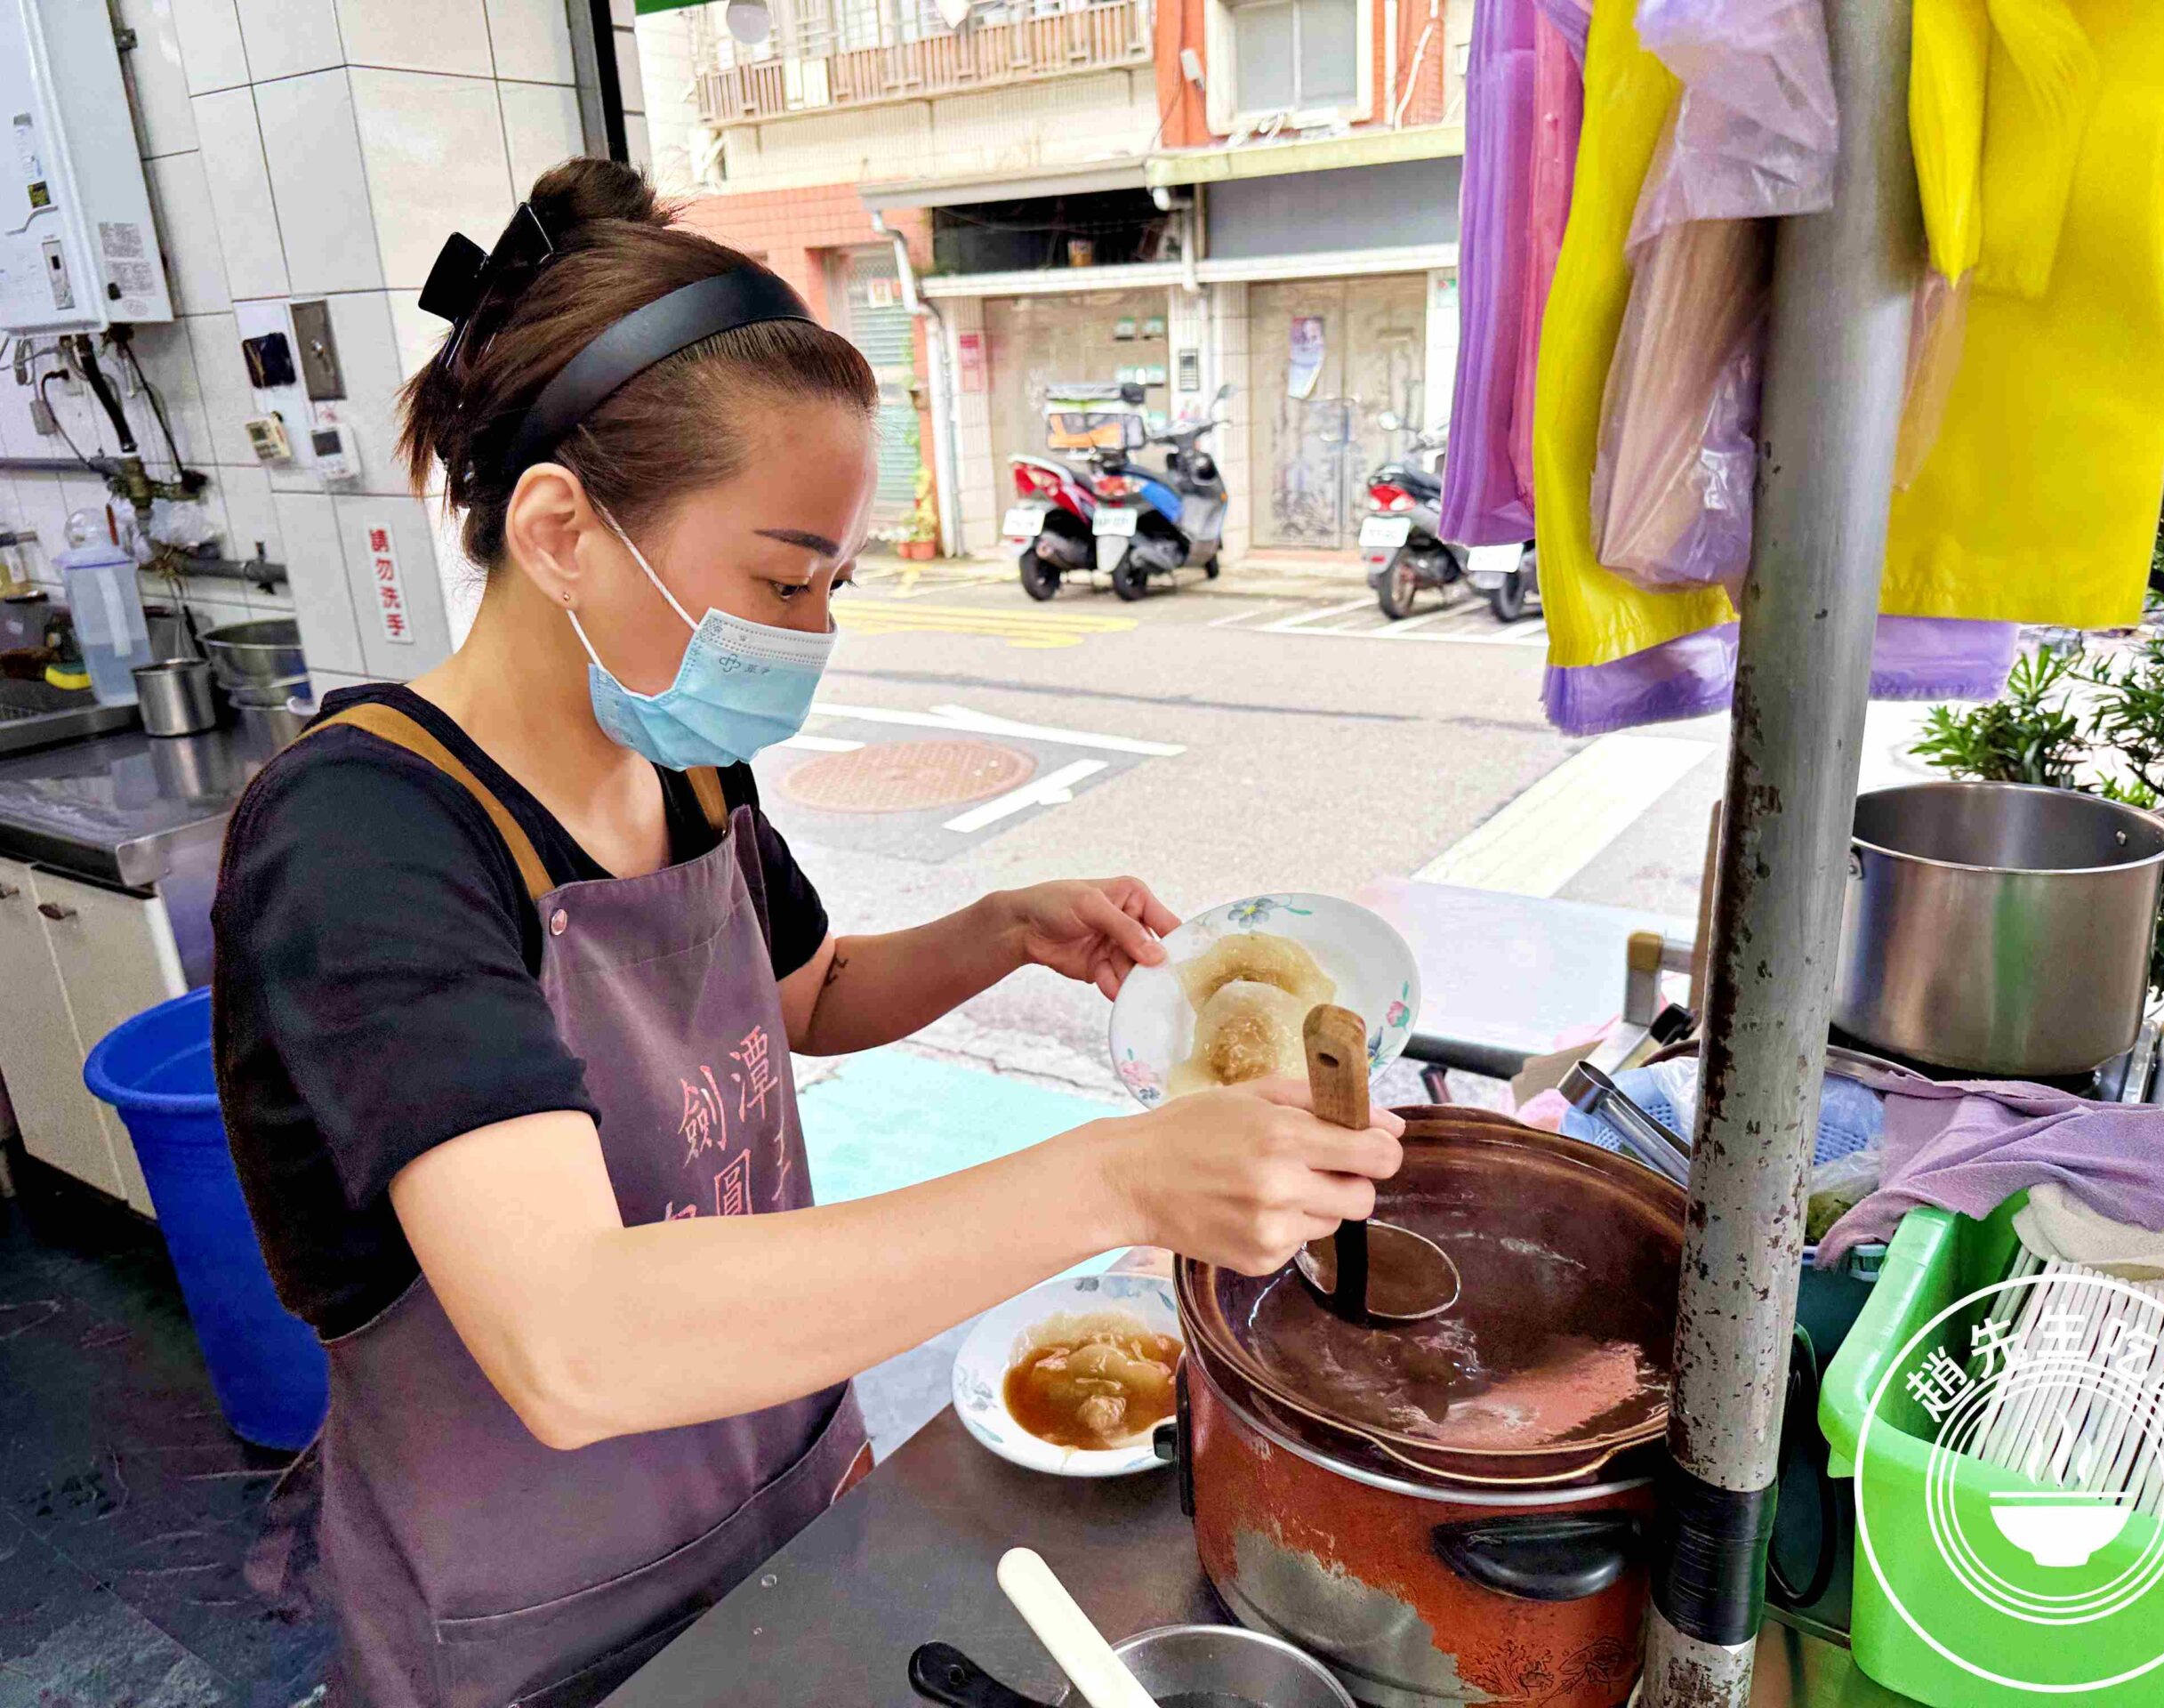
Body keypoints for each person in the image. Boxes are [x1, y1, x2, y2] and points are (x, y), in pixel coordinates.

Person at [210, 158, 1404, 1708]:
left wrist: (996, 928)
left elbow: (808, 995)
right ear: (562, 530)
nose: (815, 636)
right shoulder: (366, 843)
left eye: (835, 581)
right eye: (783, 577)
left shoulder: (683, 756)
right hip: (540, 1622)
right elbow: (573, 1341)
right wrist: (1113, 1178)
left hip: (782, 1502)